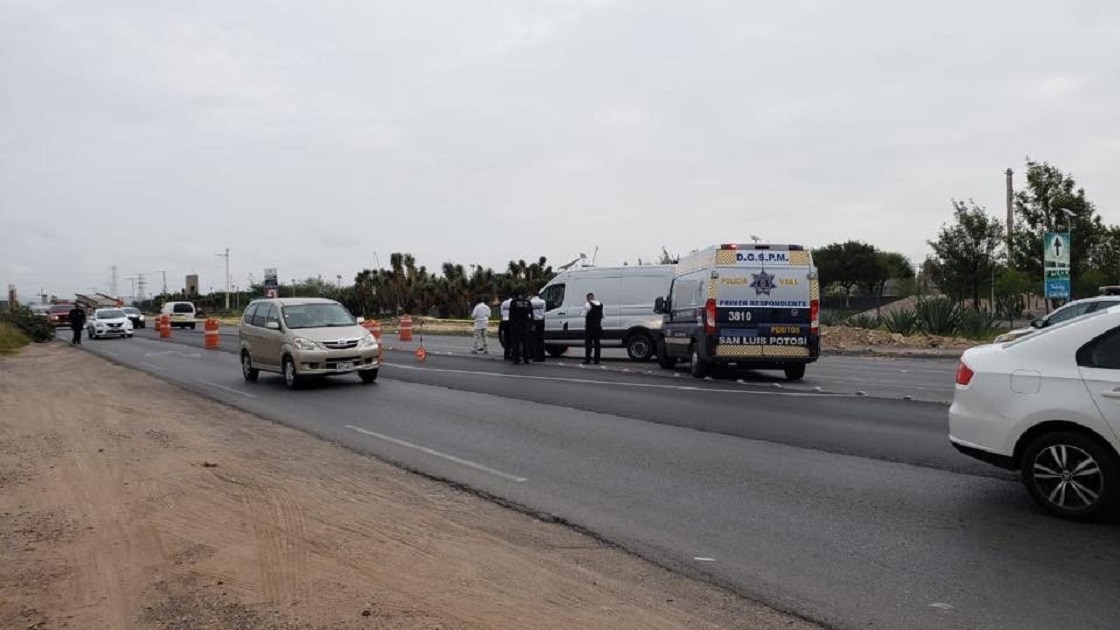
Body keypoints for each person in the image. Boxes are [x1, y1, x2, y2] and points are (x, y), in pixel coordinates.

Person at [507, 292, 534, 365]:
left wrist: (510, 324)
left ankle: (516, 359)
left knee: (516, 343)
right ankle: (526, 359)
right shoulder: (527, 302)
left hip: (516, 325)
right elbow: (531, 314)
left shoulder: (513, 302)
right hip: (525, 325)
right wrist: (531, 324)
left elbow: (511, 314)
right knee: (526, 343)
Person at [581, 292, 603, 365]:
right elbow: (603, 316)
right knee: (597, 343)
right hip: (598, 326)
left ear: (588, 298)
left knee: (588, 343)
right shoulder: (601, 304)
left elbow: (583, 314)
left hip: (590, 327)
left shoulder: (588, 304)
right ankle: (597, 360)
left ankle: (587, 359)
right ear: (593, 297)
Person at [530, 293, 547, 362]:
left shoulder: (531, 302)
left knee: (535, 339)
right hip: (542, 321)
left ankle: (537, 356)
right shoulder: (543, 301)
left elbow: (529, 312)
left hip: (535, 321)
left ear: (532, 295)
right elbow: (544, 310)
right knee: (541, 339)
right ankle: (542, 356)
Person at [499, 296, 512, 361]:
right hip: (511, 321)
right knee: (512, 338)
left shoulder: (503, 303)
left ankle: (506, 355)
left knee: (506, 338)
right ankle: (512, 354)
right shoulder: (513, 302)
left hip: (504, 321)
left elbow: (501, 314)